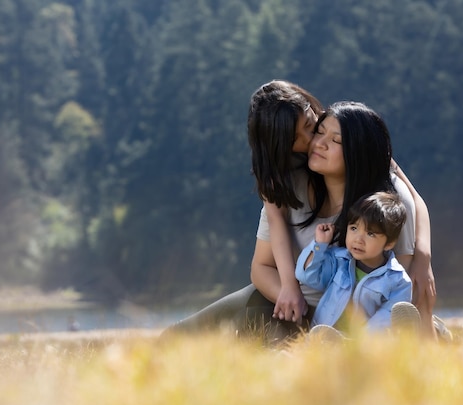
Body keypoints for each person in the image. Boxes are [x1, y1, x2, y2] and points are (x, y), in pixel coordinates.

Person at [163, 81, 439, 341]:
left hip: (341, 323)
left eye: (312, 126)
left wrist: (423, 257)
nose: (314, 141)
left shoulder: (381, 196)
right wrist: (289, 291)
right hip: (286, 303)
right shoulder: (285, 184)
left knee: (275, 343)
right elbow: (261, 265)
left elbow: (413, 206)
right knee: (179, 338)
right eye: (309, 135)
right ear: (284, 146)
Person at [295, 191, 411, 333]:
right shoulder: (339, 261)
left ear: (389, 243)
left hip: (364, 342)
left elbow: (386, 317)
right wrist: (319, 246)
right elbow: (306, 276)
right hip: (324, 335)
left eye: (370, 234)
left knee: (391, 323)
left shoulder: (398, 280)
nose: (358, 239)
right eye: (354, 228)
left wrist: (359, 342)